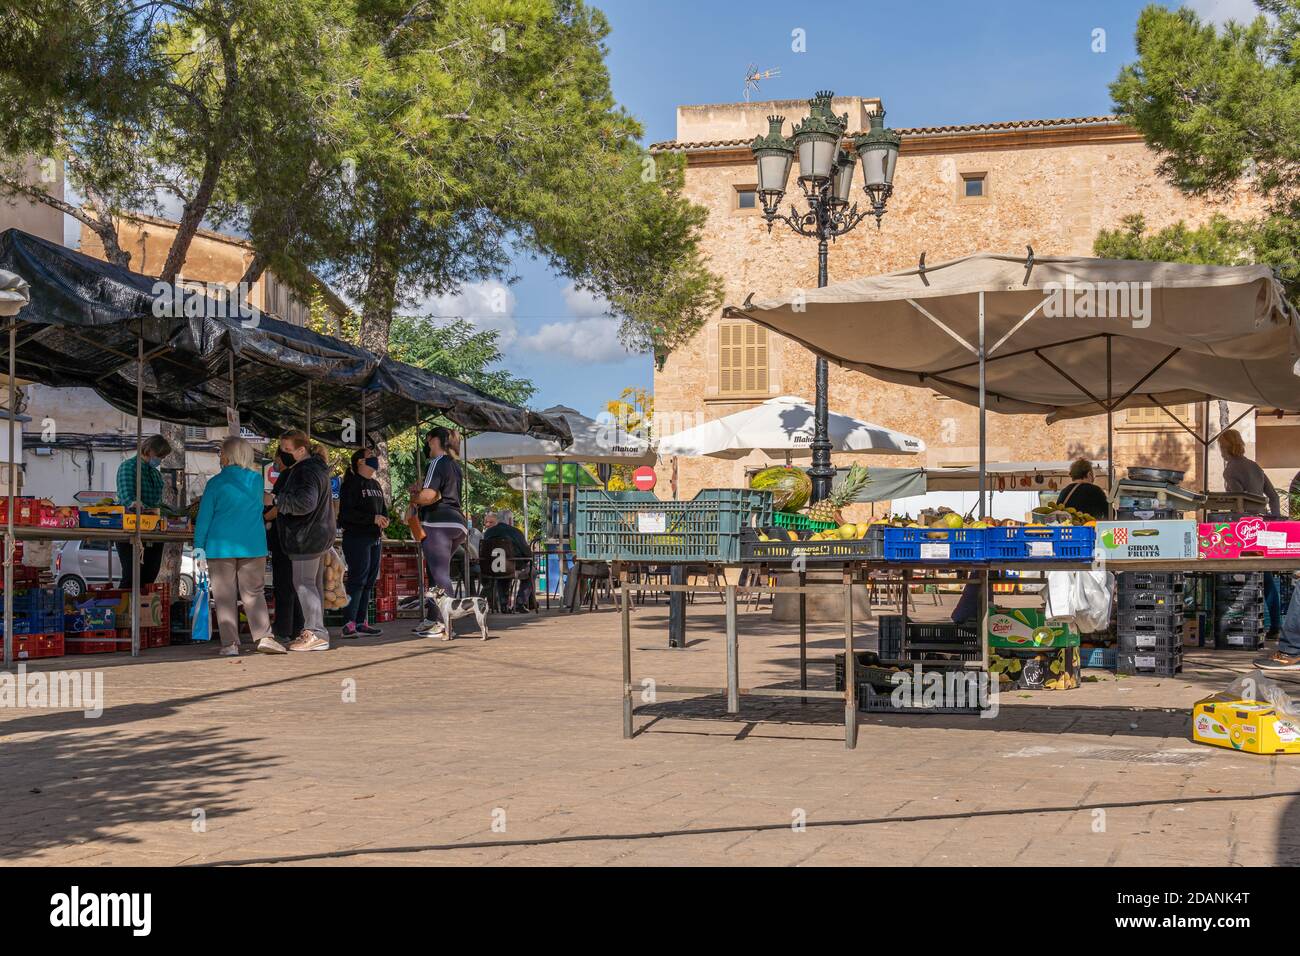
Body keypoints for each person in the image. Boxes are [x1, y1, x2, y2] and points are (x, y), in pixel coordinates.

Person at [193, 437, 284, 656]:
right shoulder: (255, 481)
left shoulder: (215, 483)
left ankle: (230, 644)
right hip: (253, 545)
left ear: (229, 455)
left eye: (221, 453)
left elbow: (204, 517)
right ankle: (264, 636)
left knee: (225, 595)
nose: (220, 457)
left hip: (220, 546)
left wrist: (198, 546)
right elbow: (265, 502)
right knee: (253, 592)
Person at [273, 429, 336, 652]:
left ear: (301, 450)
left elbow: (305, 503)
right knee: (313, 585)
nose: (282, 453)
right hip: (316, 535)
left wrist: (277, 500)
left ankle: (316, 632)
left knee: (304, 584)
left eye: (286, 450)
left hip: (305, 536)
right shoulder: (316, 469)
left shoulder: (304, 471)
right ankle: (316, 631)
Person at [1220, 428, 1283, 641]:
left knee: (1238, 579)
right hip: (1262, 527)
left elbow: (1237, 503)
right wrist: (1273, 521)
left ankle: (1236, 627)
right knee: (1266, 577)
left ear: (1224, 447)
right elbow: (1273, 497)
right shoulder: (1255, 466)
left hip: (1242, 531)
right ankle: (1275, 625)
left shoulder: (1230, 470)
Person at [410, 426, 464, 637]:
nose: (426, 445)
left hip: (438, 523)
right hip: (456, 524)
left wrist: (415, 496)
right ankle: (433, 618)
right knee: (435, 572)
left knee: (440, 574)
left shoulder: (436, 462)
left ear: (433, 441)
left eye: (427, 440)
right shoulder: (454, 465)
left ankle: (445, 622)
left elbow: (427, 496)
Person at [338, 446, 388, 638]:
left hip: (375, 538)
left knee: (369, 582)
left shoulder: (375, 484)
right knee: (357, 580)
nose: (374, 459)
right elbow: (346, 515)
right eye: (370, 456)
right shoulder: (351, 484)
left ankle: (362, 621)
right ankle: (349, 623)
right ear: (360, 461)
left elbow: (383, 509)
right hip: (357, 538)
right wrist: (371, 519)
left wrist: (384, 518)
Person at [115, 434, 172, 589]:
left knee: (150, 576)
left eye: (163, 457)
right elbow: (127, 497)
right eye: (160, 456)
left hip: (153, 531)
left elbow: (157, 502)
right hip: (131, 529)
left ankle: (144, 610)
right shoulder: (128, 467)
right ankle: (125, 610)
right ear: (150, 450)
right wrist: (135, 503)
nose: (160, 459)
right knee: (132, 575)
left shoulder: (155, 474)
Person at [265, 451, 304, 646]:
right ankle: (297, 625)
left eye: (277, 458)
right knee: (292, 584)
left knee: (284, 584)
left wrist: (266, 516)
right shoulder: (295, 476)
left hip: (285, 539)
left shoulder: (288, 477)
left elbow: (278, 506)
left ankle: (284, 628)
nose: (274, 462)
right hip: (292, 539)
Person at [480, 508, 534, 612]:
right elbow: (527, 553)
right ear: (510, 520)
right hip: (512, 567)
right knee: (532, 572)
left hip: (491, 569)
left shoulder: (488, 533)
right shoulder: (516, 532)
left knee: (502, 572)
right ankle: (520, 602)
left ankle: (503, 604)